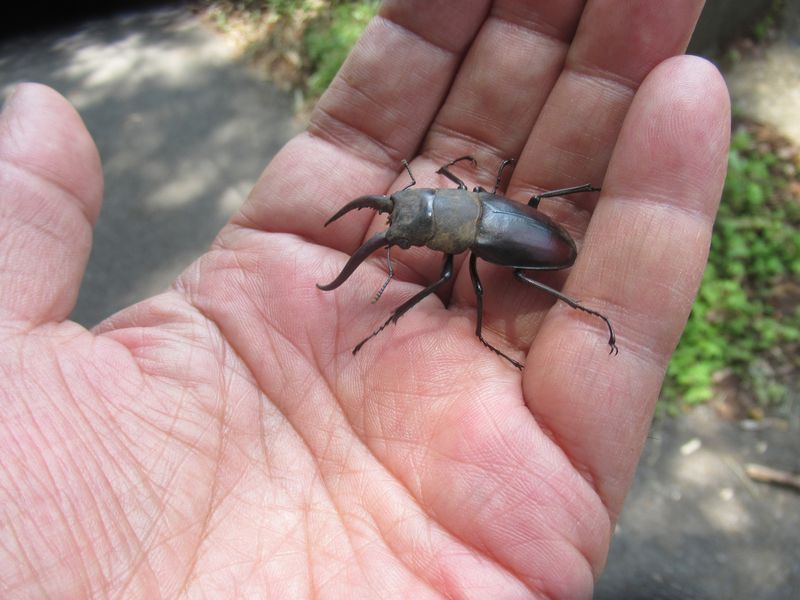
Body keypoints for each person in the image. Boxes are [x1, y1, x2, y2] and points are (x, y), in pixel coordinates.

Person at [0, 2, 729, 597]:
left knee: (510, 280)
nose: (399, 224)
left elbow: (452, 264)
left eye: (409, 219)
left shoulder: (465, 245)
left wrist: (578, 292)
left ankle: (582, 303)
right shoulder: (468, 199)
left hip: (532, 243)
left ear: (447, 205)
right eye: (405, 224)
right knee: (502, 246)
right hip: (510, 221)